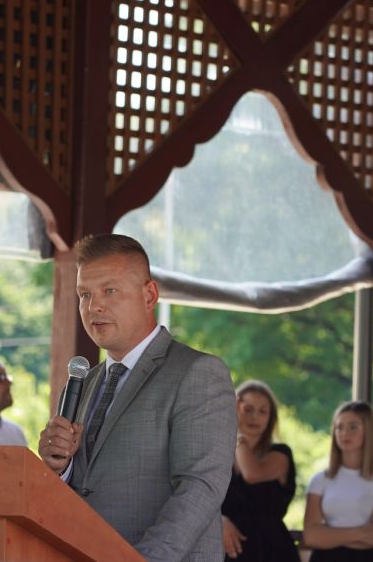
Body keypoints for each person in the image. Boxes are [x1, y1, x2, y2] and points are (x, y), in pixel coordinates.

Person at [38, 233, 236, 561]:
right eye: (84, 294)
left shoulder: (197, 373)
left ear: (149, 295)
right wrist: (61, 468)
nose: (94, 306)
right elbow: (84, 488)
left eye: (109, 291)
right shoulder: (83, 383)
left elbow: (200, 487)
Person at [302, 401, 373, 562]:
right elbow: (311, 537)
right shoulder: (320, 479)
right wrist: (360, 533)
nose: (344, 433)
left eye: (353, 427)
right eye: (339, 427)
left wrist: (329, 536)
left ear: (369, 431)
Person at [221, 381, 298, 561]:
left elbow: (251, 474)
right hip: (227, 551)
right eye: (248, 409)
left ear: (271, 417)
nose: (254, 417)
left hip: (271, 551)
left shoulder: (281, 453)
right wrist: (219, 520)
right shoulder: (217, 456)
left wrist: (238, 435)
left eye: (263, 411)